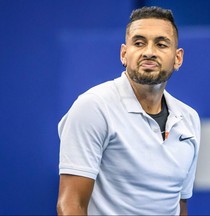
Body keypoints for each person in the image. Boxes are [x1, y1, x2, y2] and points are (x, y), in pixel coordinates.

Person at [57, 6, 201, 216]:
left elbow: (179, 205)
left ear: (178, 58)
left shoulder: (190, 119)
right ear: (124, 54)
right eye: (139, 42)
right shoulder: (93, 107)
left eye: (161, 44)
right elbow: (71, 204)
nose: (149, 52)